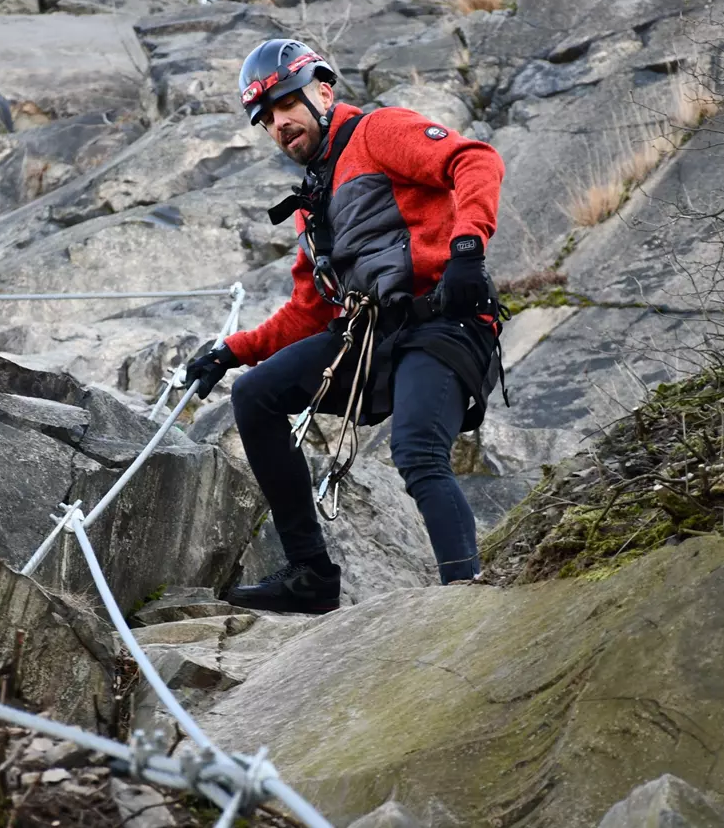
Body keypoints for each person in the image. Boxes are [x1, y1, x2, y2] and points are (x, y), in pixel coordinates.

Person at [182, 38, 508, 615]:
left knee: (416, 451)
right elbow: (307, 310)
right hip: (372, 336)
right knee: (257, 395)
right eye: (266, 118)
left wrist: (465, 250)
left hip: (443, 320)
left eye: (287, 103)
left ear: (323, 91)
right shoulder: (313, 199)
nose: (279, 123)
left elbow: (475, 160)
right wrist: (230, 352)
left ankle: (467, 601)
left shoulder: (379, 131)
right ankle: (310, 575)